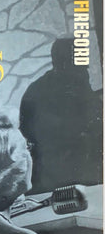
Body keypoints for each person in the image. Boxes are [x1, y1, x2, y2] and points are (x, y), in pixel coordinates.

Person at [20, 38, 103, 194]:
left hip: (67, 169)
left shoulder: (68, 82)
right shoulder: (43, 92)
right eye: (80, 66)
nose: (85, 71)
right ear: (64, 64)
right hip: (60, 175)